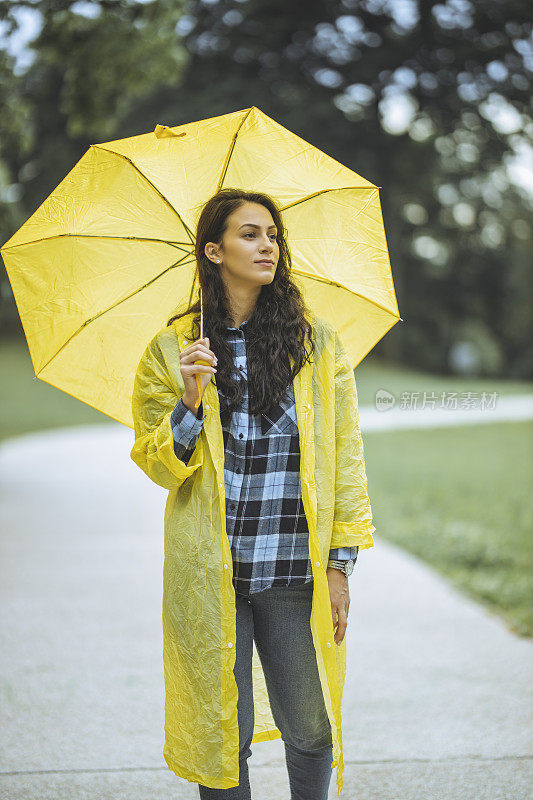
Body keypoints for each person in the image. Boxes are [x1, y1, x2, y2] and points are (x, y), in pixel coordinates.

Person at [130, 188, 375, 799]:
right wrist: (189, 400)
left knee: (312, 728)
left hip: (291, 569)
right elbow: (160, 464)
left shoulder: (314, 344)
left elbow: (345, 459)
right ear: (213, 251)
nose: (267, 244)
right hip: (213, 573)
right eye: (248, 234)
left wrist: (340, 565)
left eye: (272, 234)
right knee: (224, 736)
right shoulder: (175, 349)